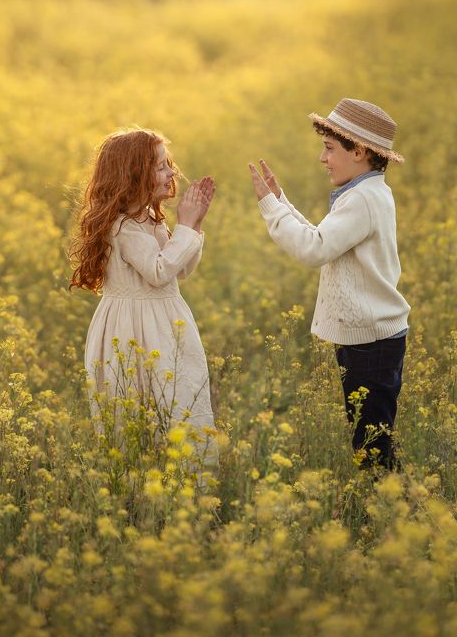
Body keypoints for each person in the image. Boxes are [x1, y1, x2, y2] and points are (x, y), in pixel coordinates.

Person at [249, 98, 409, 471]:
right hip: (369, 338)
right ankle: (390, 508)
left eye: (329, 148)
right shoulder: (366, 193)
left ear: (360, 152)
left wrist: (270, 207)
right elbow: (325, 239)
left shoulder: (363, 199)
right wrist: (282, 202)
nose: (323, 159)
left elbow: (312, 249)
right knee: (370, 437)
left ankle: (393, 511)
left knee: (372, 444)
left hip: (372, 342)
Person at [71, 128, 216, 460]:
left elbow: (180, 269)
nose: (172, 173)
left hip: (162, 322)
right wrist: (186, 225)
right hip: (131, 329)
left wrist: (192, 226)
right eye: (162, 166)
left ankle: (183, 482)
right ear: (136, 175)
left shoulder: (150, 220)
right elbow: (159, 271)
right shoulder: (123, 228)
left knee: (178, 398)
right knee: (136, 411)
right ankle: (139, 493)